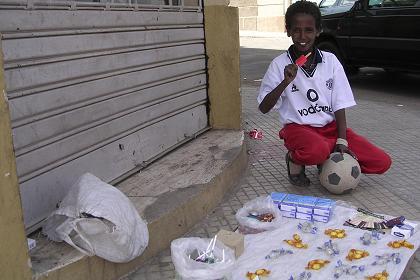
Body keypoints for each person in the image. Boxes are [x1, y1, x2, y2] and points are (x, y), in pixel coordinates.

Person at [257, 1, 391, 187]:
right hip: (298, 129)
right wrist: (285, 82)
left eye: (309, 30)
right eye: (296, 30)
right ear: (288, 31)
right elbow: (264, 108)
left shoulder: (330, 61)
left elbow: (339, 102)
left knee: (381, 161)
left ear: (318, 31)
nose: (302, 36)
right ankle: (295, 159)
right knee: (316, 150)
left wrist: (342, 139)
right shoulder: (279, 64)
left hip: (330, 129)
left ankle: (326, 158)